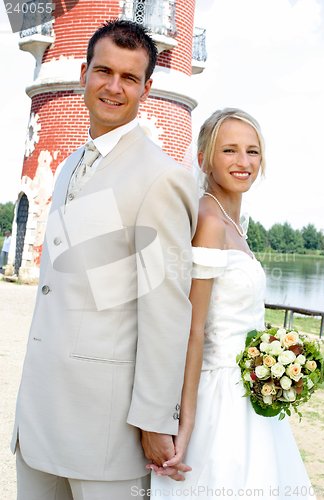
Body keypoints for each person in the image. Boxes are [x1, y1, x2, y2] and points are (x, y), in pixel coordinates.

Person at [11, 20, 198, 500]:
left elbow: (164, 309)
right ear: (83, 73)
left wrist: (156, 419)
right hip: (40, 414)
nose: (114, 87)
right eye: (104, 71)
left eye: (129, 78)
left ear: (147, 88)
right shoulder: (72, 163)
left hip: (104, 427)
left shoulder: (161, 177)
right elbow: (90, 286)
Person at [150, 108, 316, 499]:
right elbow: (193, 330)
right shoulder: (208, 220)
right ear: (204, 157)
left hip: (249, 393)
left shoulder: (234, 222)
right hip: (218, 396)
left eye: (252, 151)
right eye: (229, 150)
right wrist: (185, 423)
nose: (243, 162)